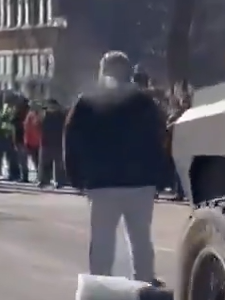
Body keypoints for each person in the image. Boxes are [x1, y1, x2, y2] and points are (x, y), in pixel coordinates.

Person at [63, 51, 166, 282]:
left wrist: (75, 175)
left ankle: (100, 284)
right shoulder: (144, 102)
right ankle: (145, 283)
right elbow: (161, 137)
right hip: (140, 181)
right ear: (129, 72)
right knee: (140, 239)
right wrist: (161, 175)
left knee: (102, 240)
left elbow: (72, 138)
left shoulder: (87, 101)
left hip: (102, 182)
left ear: (103, 71)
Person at [38, 98, 66, 188]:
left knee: (59, 164)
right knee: (44, 163)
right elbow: (39, 126)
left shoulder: (62, 115)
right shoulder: (44, 115)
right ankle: (44, 181)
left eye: (52, 106)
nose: (50, 108)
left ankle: (60, 181)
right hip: (45, 142)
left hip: (58, 142)